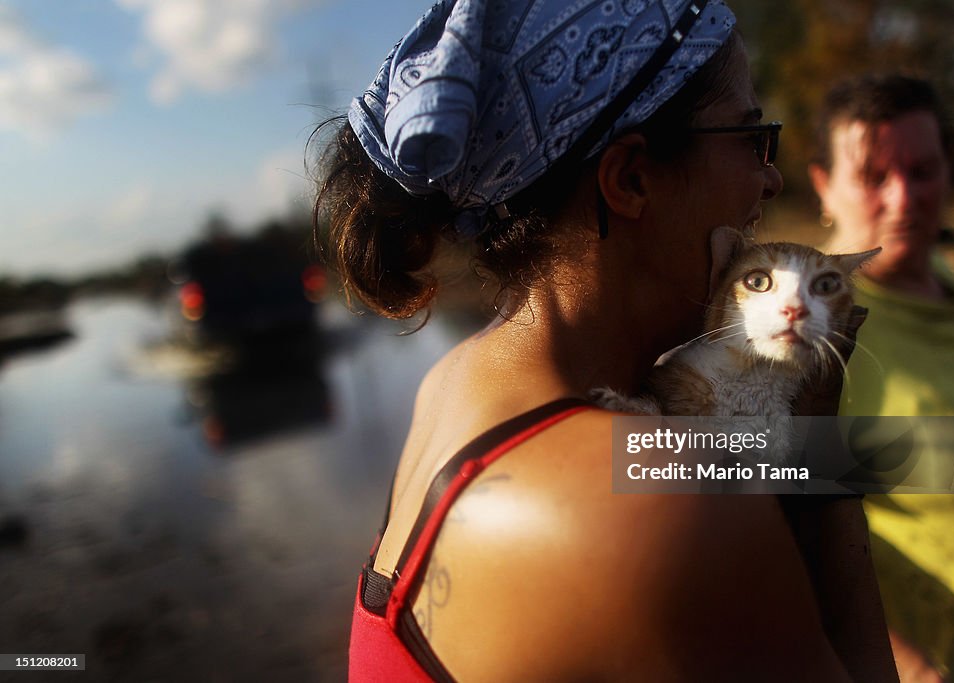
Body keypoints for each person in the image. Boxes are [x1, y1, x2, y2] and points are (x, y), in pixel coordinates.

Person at [316, 1, 897, 680]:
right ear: (631, 178)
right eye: (750, 136)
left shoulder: (455, 384)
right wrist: (816, 447)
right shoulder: (669, 508)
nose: (770, 176)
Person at [809, 74, 954, 682]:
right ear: (824, 185)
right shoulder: (810, 335)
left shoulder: (951, 289)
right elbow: (770, 537)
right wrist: (907, 665)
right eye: (874, 177)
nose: (903, 199)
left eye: (922, 171)